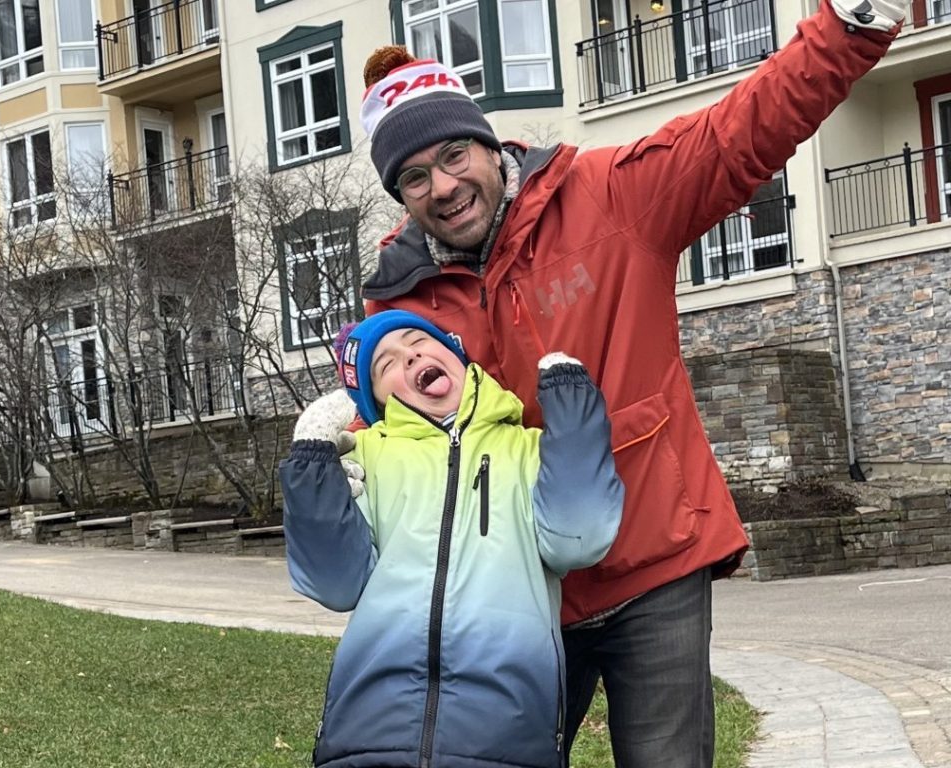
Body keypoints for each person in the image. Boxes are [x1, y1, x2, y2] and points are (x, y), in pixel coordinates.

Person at [351, 2, 909, 765]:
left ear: (487, 143)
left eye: (454, 157)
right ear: (400, 194)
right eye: (415, 177)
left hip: (654, 564)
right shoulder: (398, 299)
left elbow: (740, 131)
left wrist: (849, 24)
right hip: (519, 596)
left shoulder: (606, 194)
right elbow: (394, 448)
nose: (443, 186)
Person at [280, 309, 624, 768]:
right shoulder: (364, 459)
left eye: (416, 339)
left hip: (507, 737)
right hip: (367, 735)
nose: (409, 355)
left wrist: (572, 404)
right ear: (377, 402)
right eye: (385, 366)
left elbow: (579, 537)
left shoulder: (526, 449)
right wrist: (313, 464)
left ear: (456, 352)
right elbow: (335, 583)